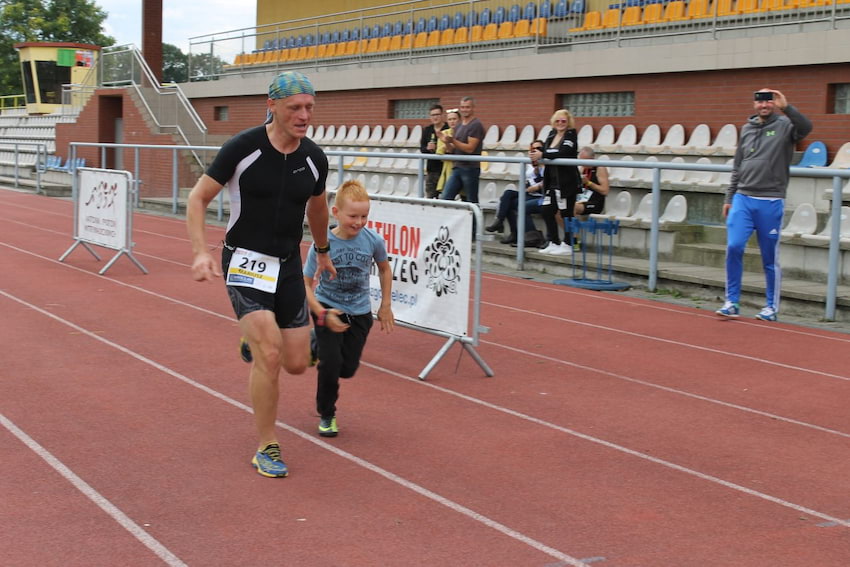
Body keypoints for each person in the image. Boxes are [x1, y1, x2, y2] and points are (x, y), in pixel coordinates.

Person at [186, 71, 335, 478]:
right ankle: (267, 444)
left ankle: (257, 341)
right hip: (245, 262)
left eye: (309, 108)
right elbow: (198, 199)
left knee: (297, 364)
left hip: (286, 264)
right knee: (269, 355)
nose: (304, 116)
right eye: (295, 108)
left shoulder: (313, 158)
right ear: (272, 106)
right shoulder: (242, 148)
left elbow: (318, 209)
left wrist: (322, 252)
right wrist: (201, 252)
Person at [303, 180, 395, 438]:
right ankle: (327, 414)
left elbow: (385, 269)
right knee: (331, 365)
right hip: (327, 307)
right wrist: (320, 313)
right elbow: (305, 284)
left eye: (364, 216)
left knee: (347, 369)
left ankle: (313, 344)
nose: (359, 222)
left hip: (359, 312)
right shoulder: (322, 244)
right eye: (353, 216)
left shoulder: (372, 240)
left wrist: (385, 305)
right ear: (336, 213)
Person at [716, 88, 812, 322]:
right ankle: (732, 302)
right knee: (734, 247)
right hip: (743, 198)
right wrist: (730, 197)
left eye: (769, 101)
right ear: (754, 105)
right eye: (760, 102)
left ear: (774, 104)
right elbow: (738, 165)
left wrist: (786, 107)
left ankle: (770, 306)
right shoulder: (747, 129)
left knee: (769, 256)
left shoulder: (785, 126)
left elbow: (806, 128)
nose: (764, 106)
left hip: (770, 200)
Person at [535, 109, 581, 256]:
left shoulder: (571, 134)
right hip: (551, 180)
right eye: (558, 121)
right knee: (547, 210)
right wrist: (536, 152)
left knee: (567, 213)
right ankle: (554, 241)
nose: (560, 124)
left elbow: (564, 152)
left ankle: (568, 244)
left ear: (568, 123)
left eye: (563, 121)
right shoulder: (551, 134)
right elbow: (546, 150)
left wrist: (543, 154)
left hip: (566, 181)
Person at [486, 140, 546, 245]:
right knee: (507, 196)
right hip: (529, 193)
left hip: (541, 195)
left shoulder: (546, 163)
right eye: (533, 149)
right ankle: (506, 226)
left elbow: (549, 181)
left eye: (538, 149)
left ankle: (532, 236)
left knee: (518, 204)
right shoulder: (529, 164)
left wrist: (536, 186)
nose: (535, 151)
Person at [438, 96, 485, 203]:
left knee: (471, 201)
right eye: (462, 107)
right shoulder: (459, 126)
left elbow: (470, 148)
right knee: (445, 198)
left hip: (470, 168)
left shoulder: (476, 125)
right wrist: (446, 142)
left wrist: (452, 141)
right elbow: (453, 149)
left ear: (473, 108)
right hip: (457, 167)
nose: (464, 110)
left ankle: (475, 220)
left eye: (467, 107)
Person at [420, 104, 449, 198]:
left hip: (444, 169)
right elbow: (422, 149)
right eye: (433, 115)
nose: (435, 117)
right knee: (430, 196)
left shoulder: (448, 129)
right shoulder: (427, 130)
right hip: (431, 170)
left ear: (442, 115)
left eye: (437, 114)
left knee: (445, 197)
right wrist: (428, 148)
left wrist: (438, 148)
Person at [574, 146, 610, 217]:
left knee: (572, 207)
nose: (581, 163)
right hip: (581, 199)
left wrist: (588, 183)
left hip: (594, 202)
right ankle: (569, 228)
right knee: (560, 207)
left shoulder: (600, 168)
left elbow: (605, 191)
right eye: (580, 160)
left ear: (591, 159)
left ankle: (575, 228)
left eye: (584, 160)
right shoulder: (582, 168)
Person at [436, 109, 460, 194]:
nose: (452, 121)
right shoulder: (444, 133)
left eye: (454, 119)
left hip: (462, 167)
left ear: (459, 120)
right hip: (448, 169)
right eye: (450, 119)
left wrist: (451, 145)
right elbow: (439, 152)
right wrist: (447, 144)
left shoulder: (464, 132)